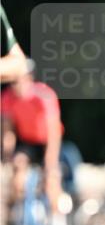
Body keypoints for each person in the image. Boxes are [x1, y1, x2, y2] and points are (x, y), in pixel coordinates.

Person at [1, 65, 63, 214]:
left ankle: (57, 222)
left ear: (29, 78)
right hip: (28, 142)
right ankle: (17, 215)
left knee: (51, 179)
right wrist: (7, 156)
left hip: (46, 141)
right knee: (18, 167)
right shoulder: (7, 97)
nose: (15, 85)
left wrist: (50, 162)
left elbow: (54, 132)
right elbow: (8, 131)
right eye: (13, 82)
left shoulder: (44, 95)